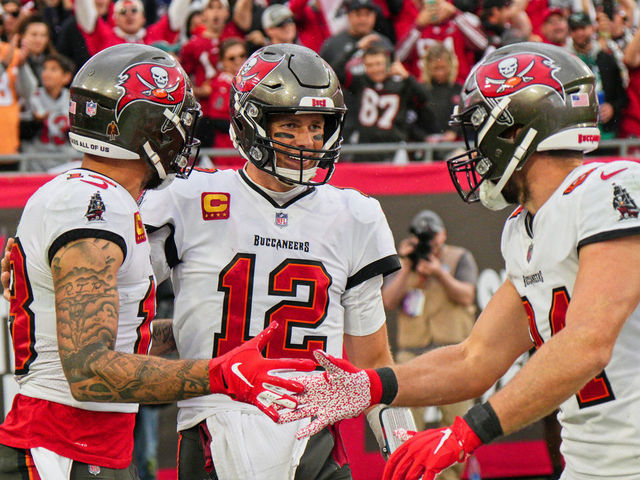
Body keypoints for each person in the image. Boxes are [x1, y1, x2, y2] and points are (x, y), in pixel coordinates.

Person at [278, 41, 640, 480]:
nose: (472, 148)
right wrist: (369, 386)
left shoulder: (611, 188)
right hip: (592, 462)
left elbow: (587, 343)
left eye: (479, 128)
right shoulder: (524, 227)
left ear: (516, 130)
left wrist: (466, 432)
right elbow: (474, 359)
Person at [0, 43, 314, 479]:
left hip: (84, 447)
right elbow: (90, 370)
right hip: (59, 450)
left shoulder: (88, 197)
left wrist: (204, 329)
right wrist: (219, 374)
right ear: (144, 126)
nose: (185, 135)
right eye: (178, 121)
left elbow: (119, 335)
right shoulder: (95, 204)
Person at [138, 43, 404, 479]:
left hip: (313, 425)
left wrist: (402, 447)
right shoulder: (188, 199)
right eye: (291, 126)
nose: (307, 141)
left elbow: (373, 361)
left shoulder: (355, 215)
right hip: (214, 416)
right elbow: (118, 300)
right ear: (250, 122)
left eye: (317, 127)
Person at [381, 209, 477, 455]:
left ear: (443, 235)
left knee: (458, 426)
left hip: (454, 352)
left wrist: (439, 272)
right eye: (421, 236)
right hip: (412, 356)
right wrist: (406, 267)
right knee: (408, 425)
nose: (428, 242)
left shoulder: (459, 257)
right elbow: (387, 302)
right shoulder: (404, 263)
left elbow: (467, 295)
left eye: (432, 236)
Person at [337, 44, 432, 162]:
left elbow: (425, 98)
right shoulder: (360, 81)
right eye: (370, 65)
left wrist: (407, 76)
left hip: (394, 147)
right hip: (365, 148)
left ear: (388, 64)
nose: (375, 69)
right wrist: (356, 48)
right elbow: (336, 72)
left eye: (378, 64)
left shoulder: (401, 83)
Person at [20, 52, 76, 170]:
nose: (46, 74)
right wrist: (35, 122)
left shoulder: (73, 100)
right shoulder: (32, 96)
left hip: (64, 163)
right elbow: (22, 134)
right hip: (35, 164)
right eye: (45, 69)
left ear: (66, 77)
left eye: (53, 70)